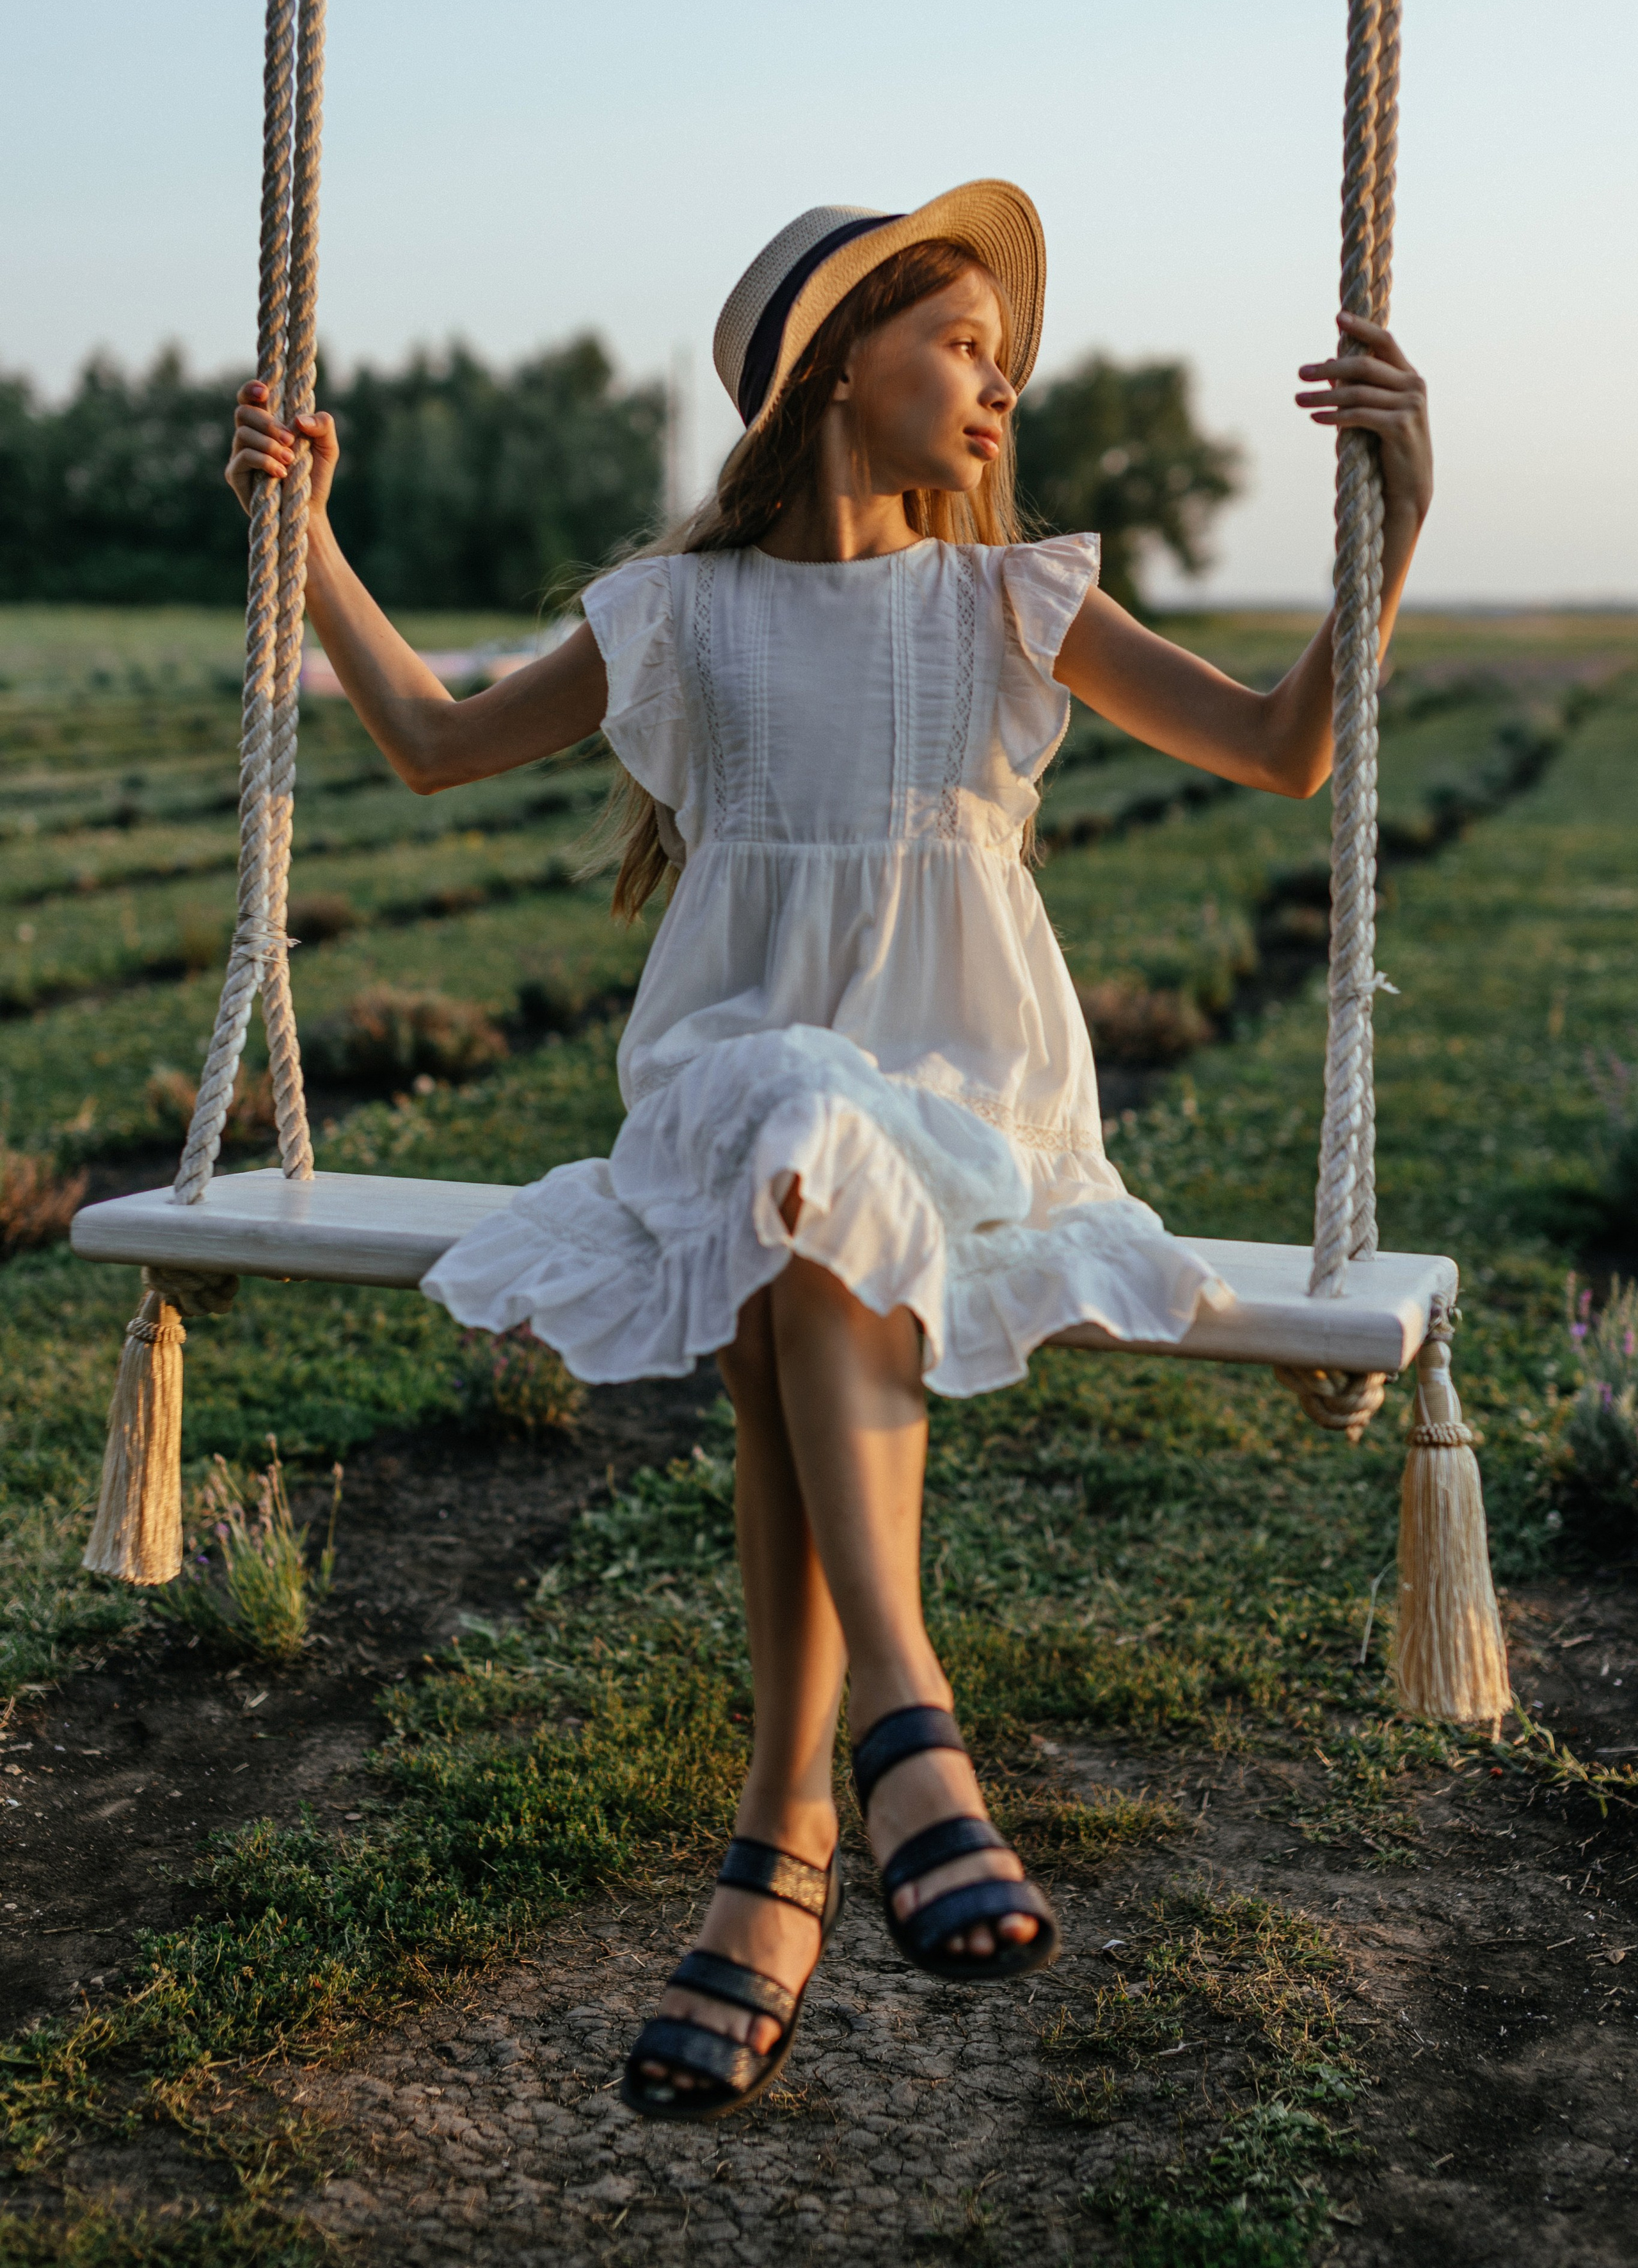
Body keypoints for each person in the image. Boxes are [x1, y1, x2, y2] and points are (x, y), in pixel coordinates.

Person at [226, 180, 1431, 2121]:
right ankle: (903, 1733)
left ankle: (783, 1846)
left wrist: (1401, 518)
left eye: (1001, 361)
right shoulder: (683, 616)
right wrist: (308, 544)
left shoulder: (1008, 600)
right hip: (729, 1091)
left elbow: (1291, 748)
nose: (995, 385)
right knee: (791, 1142)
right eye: (960, 342)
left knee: (823, 1179)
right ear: (836, 363)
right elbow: (435, 743)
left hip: (971, 1115)